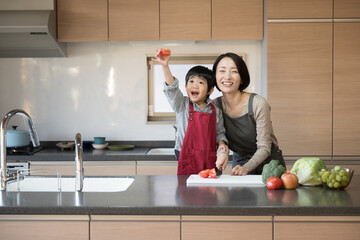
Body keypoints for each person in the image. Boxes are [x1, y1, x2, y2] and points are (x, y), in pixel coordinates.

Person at [153, 49, 229, 175]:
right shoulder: (181, 104)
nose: (195, 86)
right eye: (191, 81)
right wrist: (165, 66)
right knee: (186, 190)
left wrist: (222, 144)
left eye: (200, 83)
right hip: (186, 154)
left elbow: (220, 132)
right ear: (186, 87)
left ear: (210, 90)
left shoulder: (216, 110)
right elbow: (172, 88)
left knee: (208, 191)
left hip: (208, 156)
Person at [212, 52, 286, 176]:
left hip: (270, 162)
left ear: (242, 77)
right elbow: (220, 138)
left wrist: (246, 168)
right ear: (215, 76)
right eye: (222, 71)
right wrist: (222, 153)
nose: (227, 76)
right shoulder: (214, 106)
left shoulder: (258, 103)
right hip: (240, 160)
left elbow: (264, 148)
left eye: (234, 71)